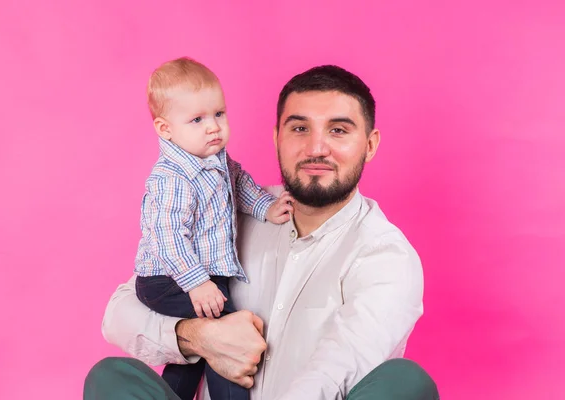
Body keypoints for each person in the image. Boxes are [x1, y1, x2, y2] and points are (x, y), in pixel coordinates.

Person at [85, 65, 440, 400]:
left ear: (371, 145)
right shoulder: (228, 212)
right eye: (300, 128)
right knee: (113, 376)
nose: (317, 148)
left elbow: (335, 369)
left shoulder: (385, 256)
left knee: (406, 384)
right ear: (277, 139)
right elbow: (119, 313)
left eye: (338, 130)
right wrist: (198, 337)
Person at [133, 57, 293, 400]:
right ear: (165, 129)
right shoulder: (173, 178)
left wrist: (266, 207)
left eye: (219, 114)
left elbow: (239, 183)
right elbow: (168, 237)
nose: (213, 127)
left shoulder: (216, 159)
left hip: (201, 279)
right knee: (228, 337)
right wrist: (196, 283)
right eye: (197, 119)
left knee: (193, 352)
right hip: (168, 279)